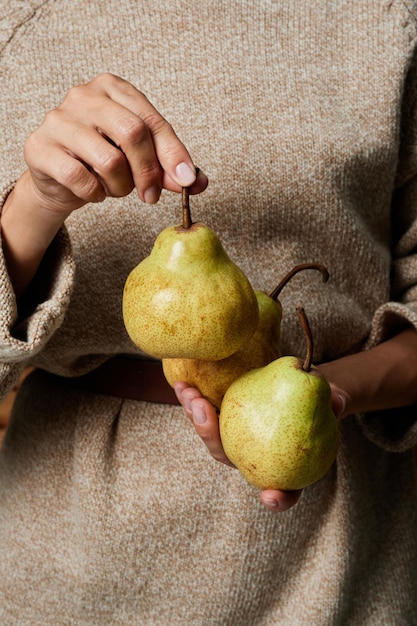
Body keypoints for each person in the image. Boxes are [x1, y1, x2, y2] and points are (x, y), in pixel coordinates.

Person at [1, 1, 417, 623]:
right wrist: (37, 202)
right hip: (65, 559)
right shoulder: (17, 22)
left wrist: (325, 397)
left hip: (339, 562)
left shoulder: (392, 22)